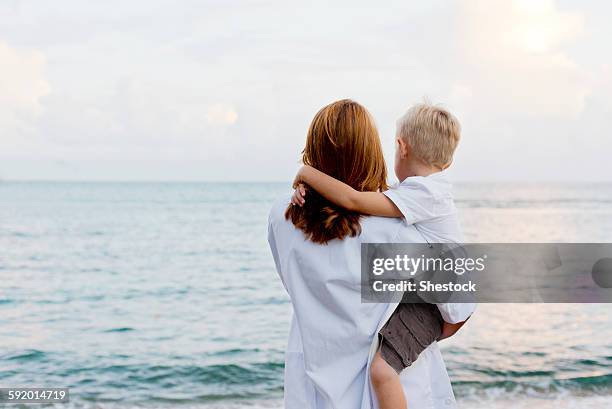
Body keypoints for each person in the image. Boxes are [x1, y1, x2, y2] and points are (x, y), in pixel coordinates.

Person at [268, 99, 474, 409]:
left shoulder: (281, 216)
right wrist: (418, 336)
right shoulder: (397, 234)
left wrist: (305, 178)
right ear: (370, 152)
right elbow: (460, 306)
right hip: (395, 391)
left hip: (312, 387)